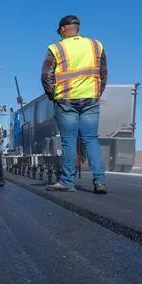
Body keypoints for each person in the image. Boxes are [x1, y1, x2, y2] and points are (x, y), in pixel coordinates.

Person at [41, 15, 108, 194]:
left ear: (62, 29)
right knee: (91, 140)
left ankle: (67, 182)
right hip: (91, 99)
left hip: (66, 101)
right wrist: (96, 93)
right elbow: (103, 73)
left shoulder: (56, 47)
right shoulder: (96, 45)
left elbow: (46, 75)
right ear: (77, 28)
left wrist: (52, 95)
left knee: (69, 141)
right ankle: (99, 182)